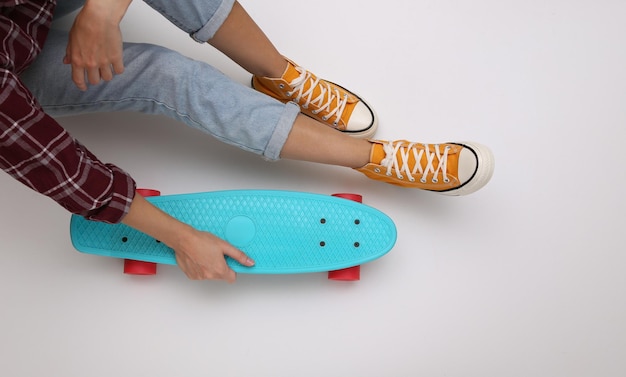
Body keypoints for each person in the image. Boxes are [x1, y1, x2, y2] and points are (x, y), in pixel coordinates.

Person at [1, 0, 495, 282]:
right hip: (14, 67)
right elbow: (61, 168)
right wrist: (182, 237)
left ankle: (277, 75)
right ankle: (372, 159)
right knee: (168, 76)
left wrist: (104, 13)